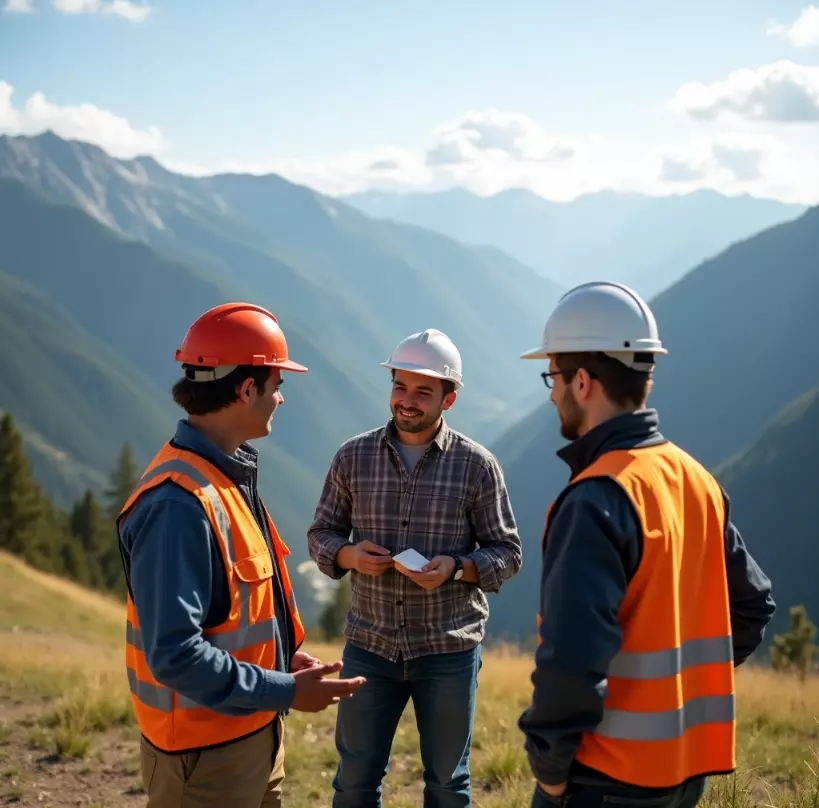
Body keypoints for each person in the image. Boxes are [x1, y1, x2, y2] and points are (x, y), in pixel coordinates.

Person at [516, 281, 776, 808]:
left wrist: (550, 771)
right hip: (685, 771)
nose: (551, 392)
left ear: (583, 382)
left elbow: (570, 660)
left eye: (554, 376)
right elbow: (750, 607)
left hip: (604, 776)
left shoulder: (597, 497)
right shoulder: (695, 478)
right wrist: (681, 697)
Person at [117, 302, 366, 808]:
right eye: (276, 385)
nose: (280, 399)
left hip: (249, 737)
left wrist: (279, 659)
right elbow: (175, 655)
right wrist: (287, 691)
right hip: (204, 759)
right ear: (245, 388)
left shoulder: (225, 476)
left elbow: (228, 610)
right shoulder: (177, 505)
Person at [307, 328, 523, 808]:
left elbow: (507, 552)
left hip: (447, 649)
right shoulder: (352, 456)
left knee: (448, 785)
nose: (406, 401)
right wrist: (349, 556)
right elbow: (320, 534)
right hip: (370, 644)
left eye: (423, 391)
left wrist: (457, 568)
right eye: (399, 387)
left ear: (449, 398)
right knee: (355, 782)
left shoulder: (477, 467)